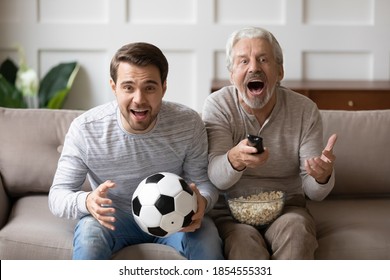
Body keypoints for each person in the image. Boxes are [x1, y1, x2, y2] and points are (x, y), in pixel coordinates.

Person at [48, 42, 223, 260]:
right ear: (113, 87)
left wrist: (202, 202)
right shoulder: (85, 129)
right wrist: (87, 202)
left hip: (175, 217)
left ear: (164, 87)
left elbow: (205, 184)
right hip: (112, 218)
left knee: (206, 235)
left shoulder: (188, 123)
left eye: (149, 87)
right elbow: (57, 196)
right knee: (88, 234)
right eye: (128, 87)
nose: (139, 99)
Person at [202, 26, 337, 259]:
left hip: (288, 210)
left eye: (263, 59)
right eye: (243, 61)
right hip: (231, 214)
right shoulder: (218, 106)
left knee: (297, 232)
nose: (254, 67)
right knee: (243, 245)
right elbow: (217, 178)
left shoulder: (304, 110)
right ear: (231, 73)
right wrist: (234, 160)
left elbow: (315, 193)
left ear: (280, 71)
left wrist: (322, 176)